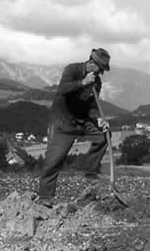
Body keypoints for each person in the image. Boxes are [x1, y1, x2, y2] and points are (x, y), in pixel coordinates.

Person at [36, 48, 112, 208]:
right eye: (100, 69)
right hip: (62, 122)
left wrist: (99, 119)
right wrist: (82, 83)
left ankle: (90, 171)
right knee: (54, 161)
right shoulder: (72, 70)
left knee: (104, 134)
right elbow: (62, 89)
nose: (101, 73)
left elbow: (92, 106)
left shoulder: (97, 82)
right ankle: (45, 197)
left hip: (82, 121)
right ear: (92, 63)